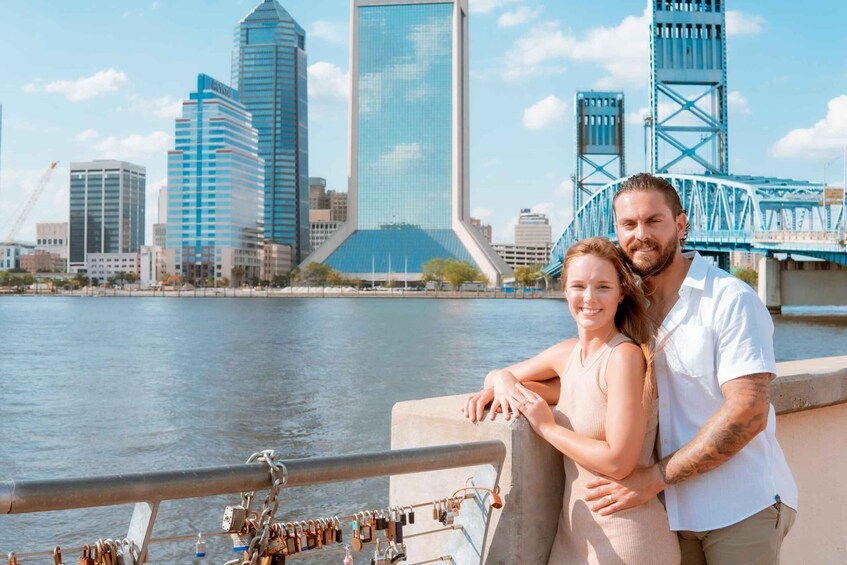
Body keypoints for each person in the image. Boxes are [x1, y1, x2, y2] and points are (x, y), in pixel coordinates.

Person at [582, 173, 797, 564]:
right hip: (669, 517)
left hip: (740, 508)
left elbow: (749, 412)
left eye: (654, 221)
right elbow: (587, 372)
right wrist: (504, 381)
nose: (640, 235)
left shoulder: (730, 299)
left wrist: (653, 479)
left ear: (681, 225)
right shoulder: (627, 310)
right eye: (628, 224)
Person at [464, 237, 680, 564]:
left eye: (603, 287)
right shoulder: (566, 355)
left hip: (628, 540)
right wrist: (502, 381)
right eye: (578, 286)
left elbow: (619, 461)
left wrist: (548, 428)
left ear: (621, 293)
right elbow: (498, 377)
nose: (589, 298)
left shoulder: (624, 357)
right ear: (564, 290)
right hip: (573, 541)